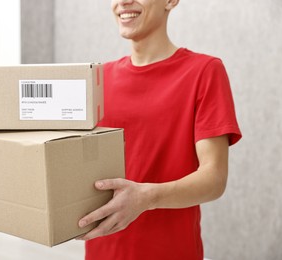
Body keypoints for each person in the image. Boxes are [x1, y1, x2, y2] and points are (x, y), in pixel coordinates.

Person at [77, 0, 242, 259]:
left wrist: (146, 198)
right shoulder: (99, 79)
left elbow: (214, 178)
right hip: (102, 252)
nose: (123, 2)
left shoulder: (204, 72)